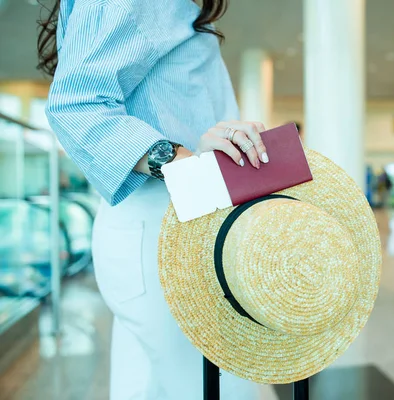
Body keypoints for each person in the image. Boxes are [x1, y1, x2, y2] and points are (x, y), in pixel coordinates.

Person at [38, 0, 268, 398]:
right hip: (164, 228)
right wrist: (183, 161)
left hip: (162, 226)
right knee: (227, 388)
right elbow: (76, 104)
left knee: (149, 387)